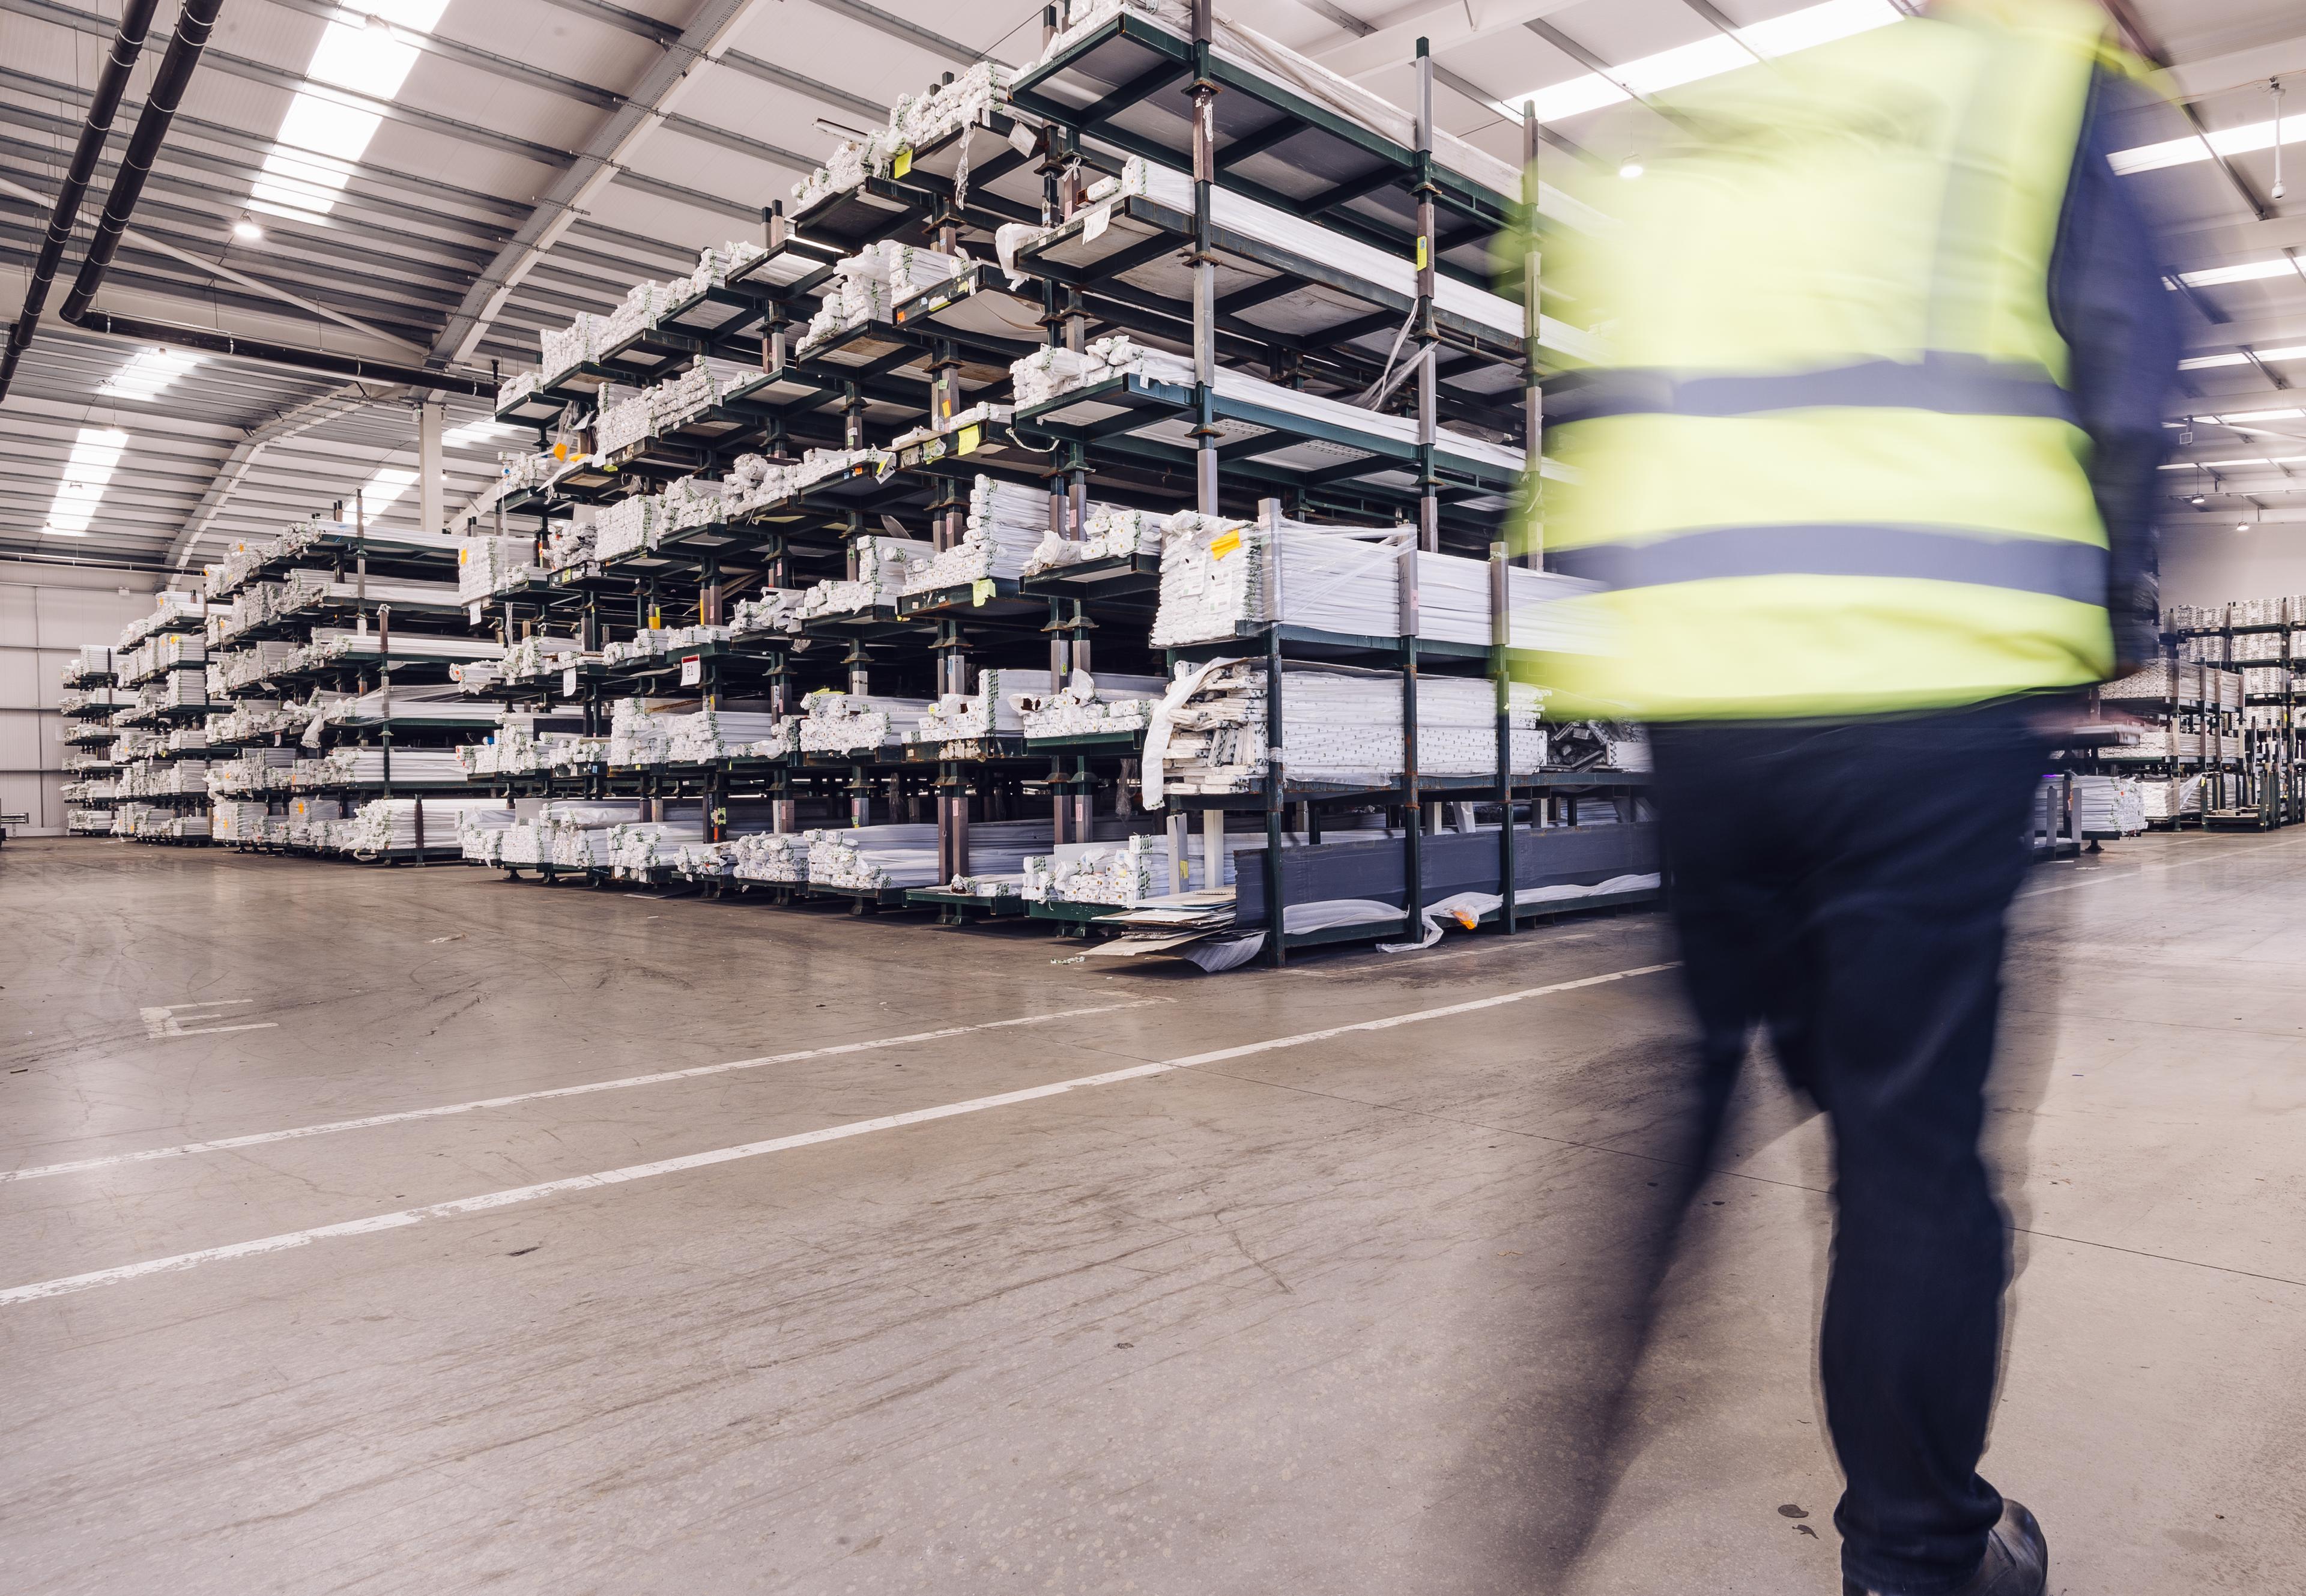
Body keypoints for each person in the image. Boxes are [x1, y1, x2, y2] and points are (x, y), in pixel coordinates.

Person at [1521, 1, 2182, 1592]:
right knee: (1906, 1153)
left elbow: (1591, 418)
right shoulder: (2037, 91)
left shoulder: (1708, 143)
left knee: (1700, 1093)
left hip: (1705, 697)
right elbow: (2129, 374)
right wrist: (2110, 619)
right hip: (1921, 689)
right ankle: (1918, 1552)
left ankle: (1543, 1504)